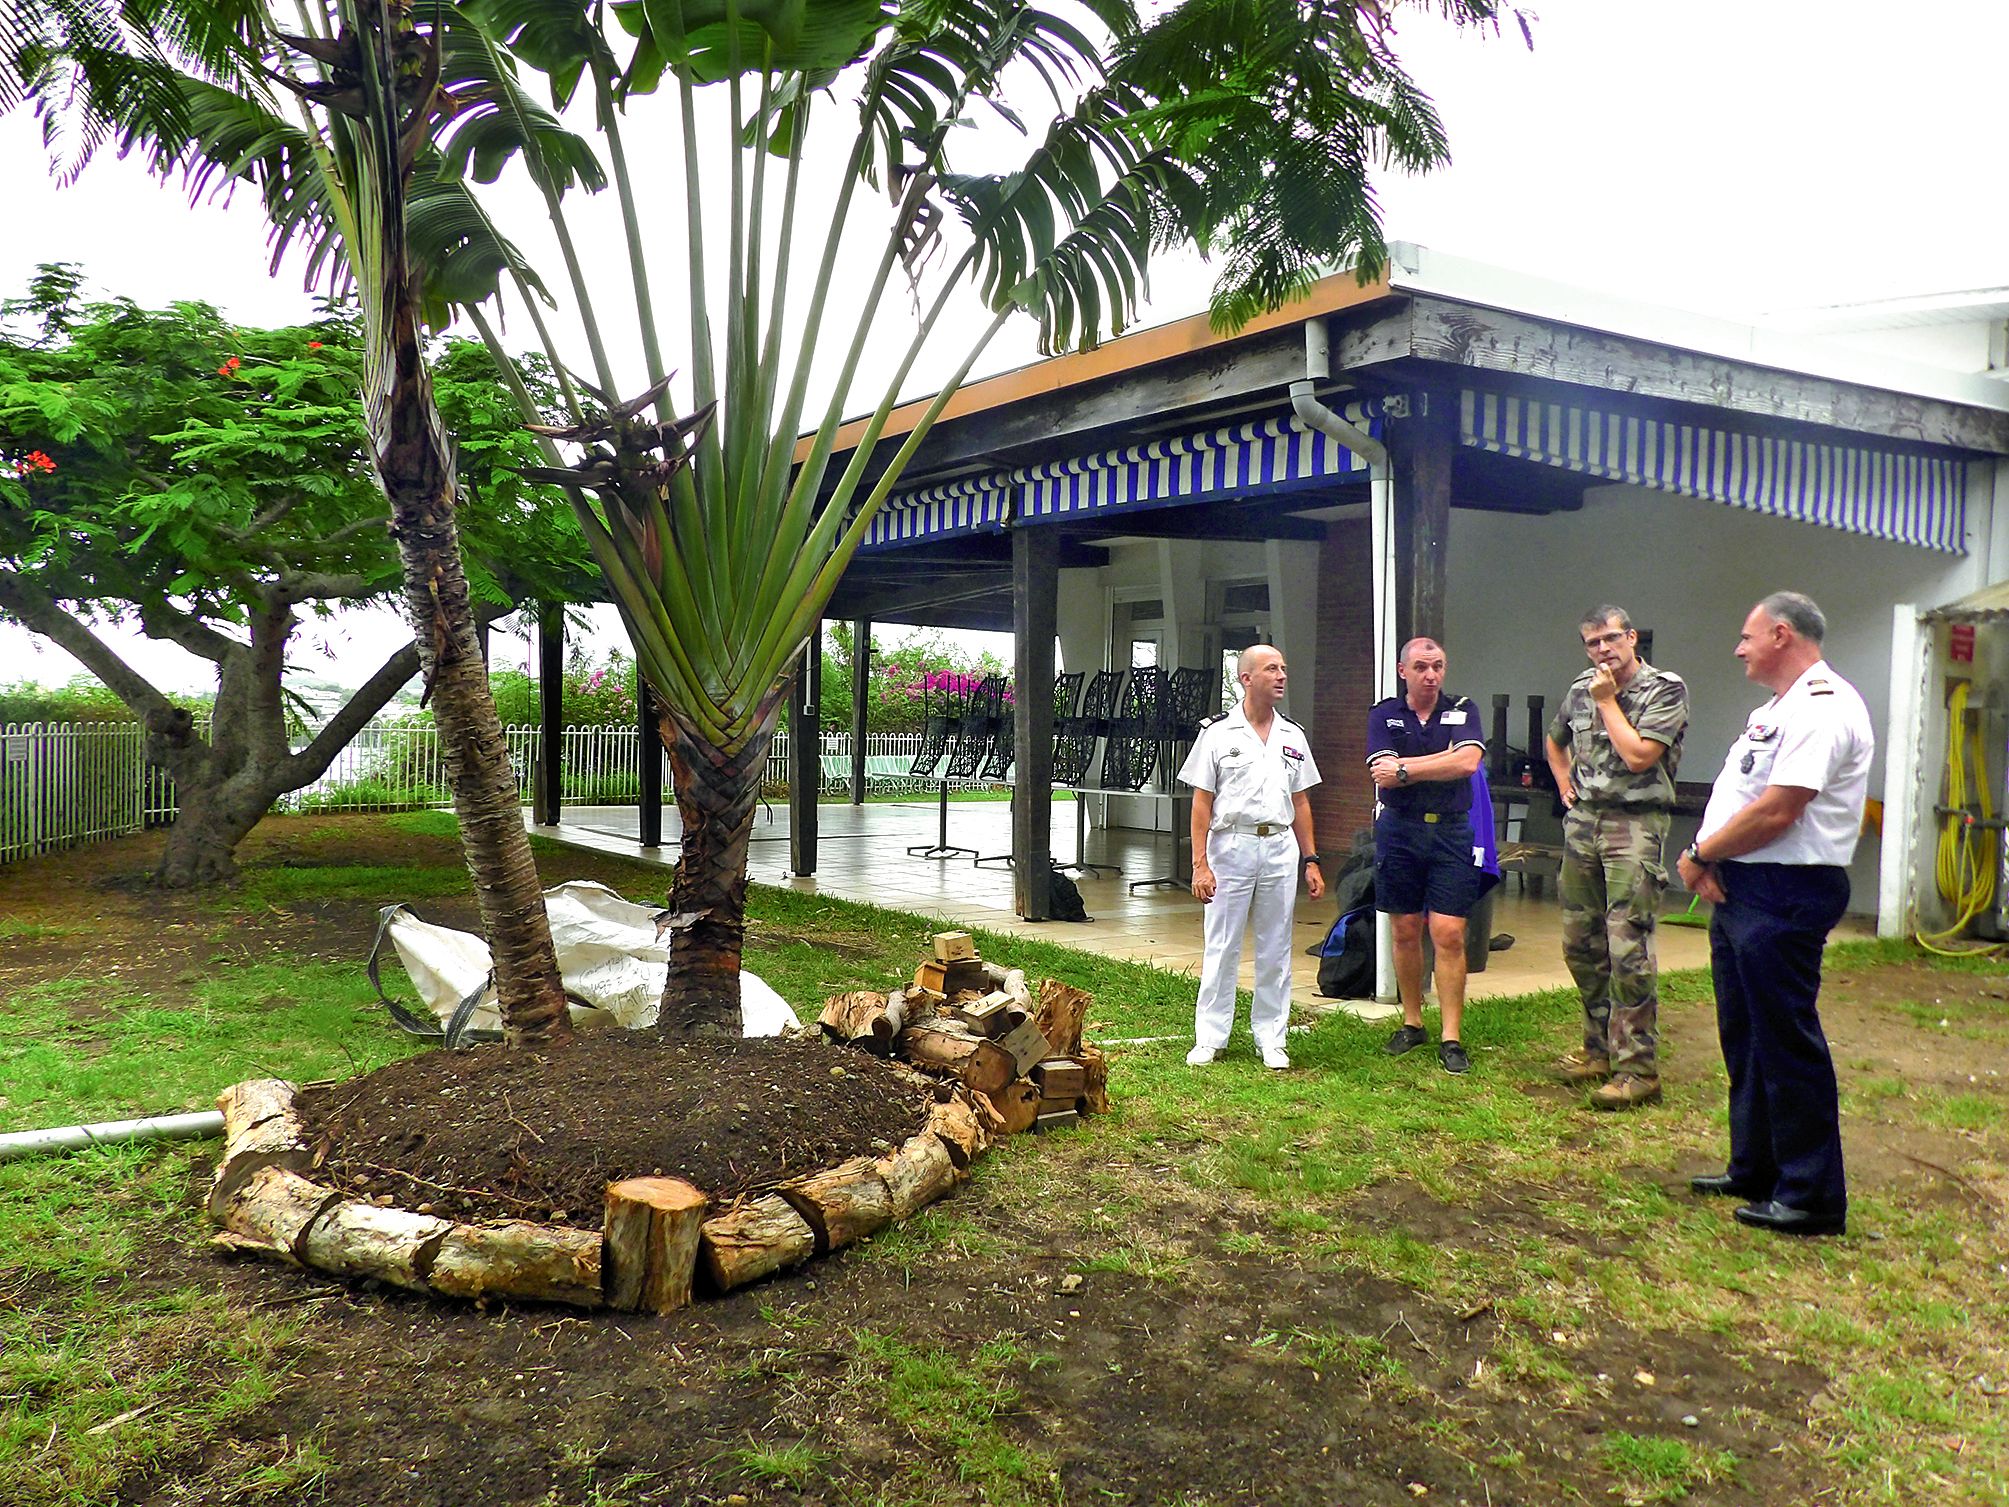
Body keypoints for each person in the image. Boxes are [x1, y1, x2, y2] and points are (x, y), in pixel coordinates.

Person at [1676, 593, 1872, 1237]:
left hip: (1784, 892)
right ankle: (1756, 1166)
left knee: (1786, 1042)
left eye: (1747, 636)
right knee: (1746, 1035)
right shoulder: (1777, 709)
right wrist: (1713, 864)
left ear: (1782, 635)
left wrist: (1700, 852)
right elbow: (1749, 797)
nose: (1739, 648)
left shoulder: (1822, 708)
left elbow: (1777, 811)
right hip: (1744, 886)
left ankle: (1811, 1194)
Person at [1544, 607, 1690, 1110]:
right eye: (1592, 643)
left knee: (1627, 949)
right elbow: (1555, 738)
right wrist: (1564, 781)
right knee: (1580, 944)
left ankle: (1638, 1070)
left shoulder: (1665, 689)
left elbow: (1638, 756)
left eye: (1610, 639)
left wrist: (1607, 703)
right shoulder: (1581, 686)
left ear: (1631, 637)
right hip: (1585, 823)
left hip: (1636, 825)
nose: (1602, 650)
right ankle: (1598, 1050)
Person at [1179, 644, 1324, 1069]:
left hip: (1279, 846)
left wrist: (1311, 860)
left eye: (1284, 668)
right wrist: (1200, 864)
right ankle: (1211, 1036)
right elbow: (1201, 804)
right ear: (1246, 678)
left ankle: (1271, 1037)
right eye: (1271, 669)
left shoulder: (1292, 736)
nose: (1281, 676)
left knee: (1277, 945)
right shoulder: (1218, 733)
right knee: (1221, 944)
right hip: (1232, 847)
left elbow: (1301, 803)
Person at [1367, 637, 1486, 1074]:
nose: (1430, 675)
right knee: (1404, 928)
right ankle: (1412, 1022)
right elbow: (1382, 773)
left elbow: (1468, 764)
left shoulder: (1464, 709)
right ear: (1404, 672)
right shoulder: (1384, 714)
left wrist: (1406, 768)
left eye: (1437, 666)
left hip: (1452, 831)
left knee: (1449, 932)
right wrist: (1440, 759)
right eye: (1421, 667)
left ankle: (1451, 1036)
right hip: (1400, 831)